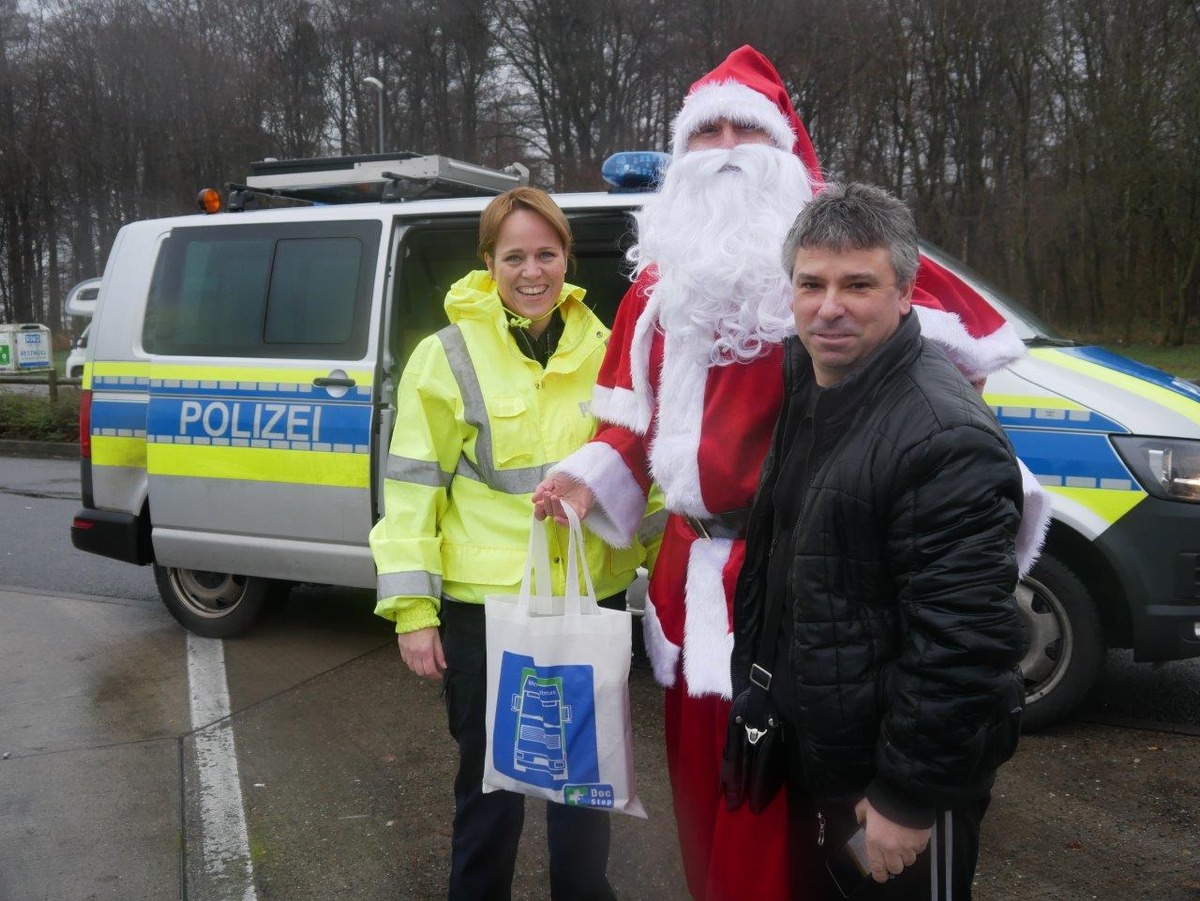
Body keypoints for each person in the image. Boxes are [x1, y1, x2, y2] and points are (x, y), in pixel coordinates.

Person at [532, 46, 1047, 901]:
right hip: (688, 578)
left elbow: (955, 364)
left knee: (791, 816)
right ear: (680, 158)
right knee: (707, 789)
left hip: (813, 579)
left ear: (786, 151)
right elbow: (629, 426)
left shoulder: (839, 262)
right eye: (707, 133)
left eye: (746, 129)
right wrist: (587, 478)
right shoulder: (655, 290)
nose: (727, 148)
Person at [732, 182, 1026, 900]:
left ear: (904, 294)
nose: (830, 306)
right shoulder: (813, 378)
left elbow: (963, 640)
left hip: (888, 788)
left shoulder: (941, 434)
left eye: (858, 283)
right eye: (812, 283)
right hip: (826, 757)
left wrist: (907, 794)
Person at [369, 186, 651, 900]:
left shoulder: (608, 344)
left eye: (547, 253)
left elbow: (639, 466)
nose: (533, 271)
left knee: (584, 794)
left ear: (567, 257)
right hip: (487, 612)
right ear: (488, 261)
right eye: (515, 255)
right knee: (489, 796)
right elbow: (409, 491)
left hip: (590, 596)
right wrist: (413, 610)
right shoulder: (446, 354)